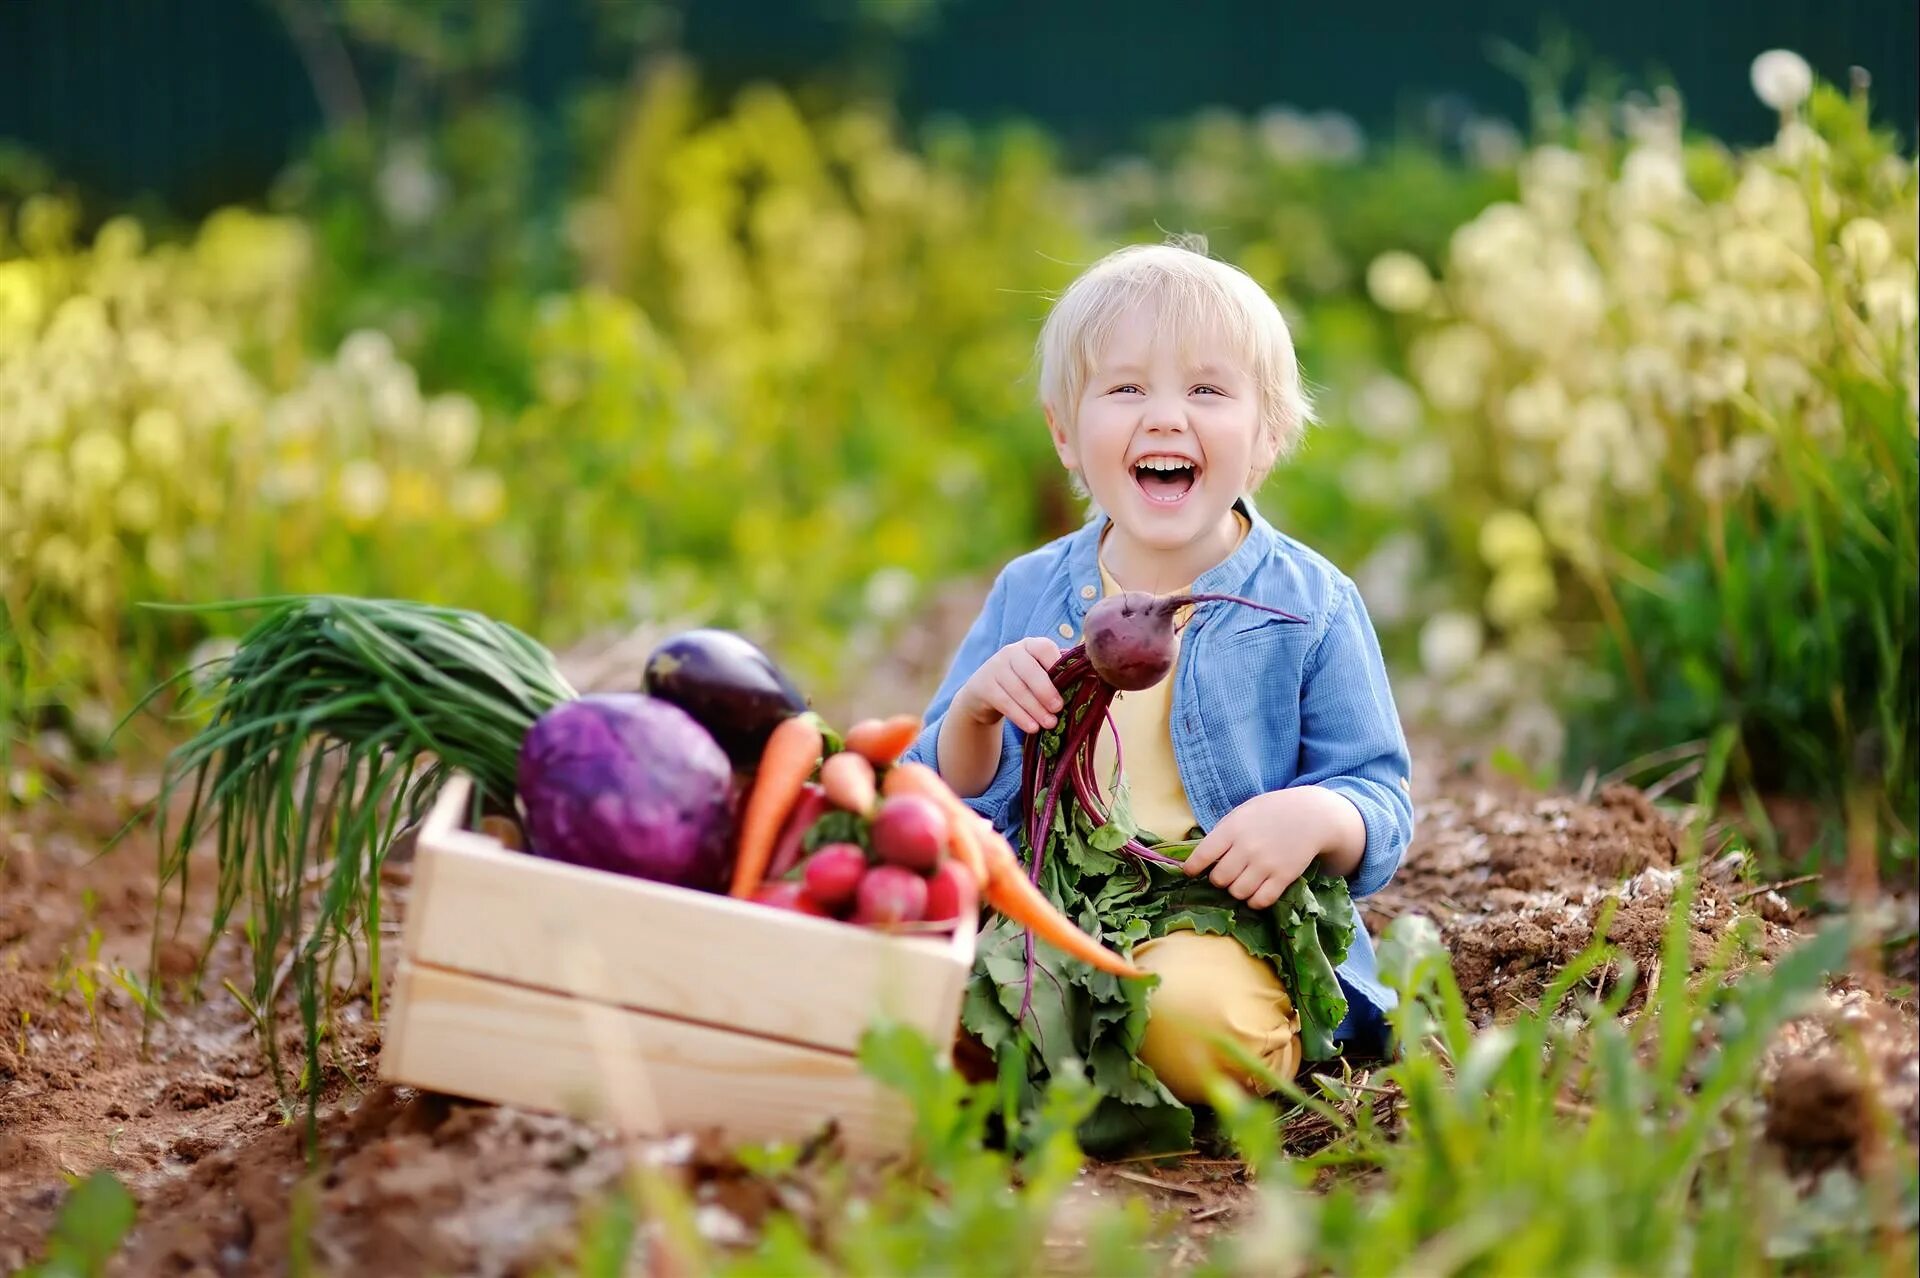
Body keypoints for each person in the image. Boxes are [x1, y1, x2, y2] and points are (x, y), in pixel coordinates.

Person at [901, 236, 1415, 1101]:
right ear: (1067, 434)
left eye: (1207, 391)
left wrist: (1316, 817)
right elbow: (940, 797)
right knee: (913, 990)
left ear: (1267, 438)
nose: (1166, 417)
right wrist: (974, 719)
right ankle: (1064, 1050)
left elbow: (1381, 798)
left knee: (1187, 1017)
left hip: (1221, 921)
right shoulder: (1031, 591)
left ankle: (1187, 1046)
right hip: (1050, 910)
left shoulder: (1310, 603)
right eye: (1127, 388)